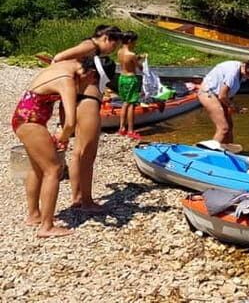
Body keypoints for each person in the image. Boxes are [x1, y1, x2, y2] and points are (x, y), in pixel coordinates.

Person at [10, 56, 111, 237]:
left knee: (37, 167)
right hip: (31, 121)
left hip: (24, 117)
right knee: (53, 170)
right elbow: (71, 122)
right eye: (93, 82)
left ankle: (34, 215)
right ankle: (47, 227)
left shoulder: (66, 66)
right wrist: (62, 139)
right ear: (91, 73)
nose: (89, 85)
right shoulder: (67, 81)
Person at [68, 56, 117, 212]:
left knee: (77, 153)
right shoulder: (100, 77)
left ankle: (77, 197)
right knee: (88, 156)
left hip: (80, 103)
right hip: (90, 105)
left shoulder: (83, 76)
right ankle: (87, 202)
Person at [198, 59, 249, 146]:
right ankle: (209, 151)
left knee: (229, 126)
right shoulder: (232, 73)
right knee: (223, 128)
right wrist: (235, 108)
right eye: (248, 73)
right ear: (244, 65)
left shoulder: (241, 72)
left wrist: (230, 106)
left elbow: (229, 92)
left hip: (219, 96)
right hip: (208, 93)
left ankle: (228, 148)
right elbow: (222, 96)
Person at [116, 31, 147, 139]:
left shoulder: (120, 52)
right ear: (130, 41)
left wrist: (139, 57)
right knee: (131, 105)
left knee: (125, 103)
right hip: (131, 79)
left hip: (122, 78)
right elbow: (140, 67)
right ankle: (130, 130)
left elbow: (128, 61)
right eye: (134, 42)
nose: (135, 44)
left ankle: (122, 128)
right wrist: (143, 62)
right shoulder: (132, 54)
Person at [52, 25, 123, 63]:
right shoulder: (90, 46)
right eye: (114, 46)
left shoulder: (95, 48)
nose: (114, 50)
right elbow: (58, 58)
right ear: (105, 38)